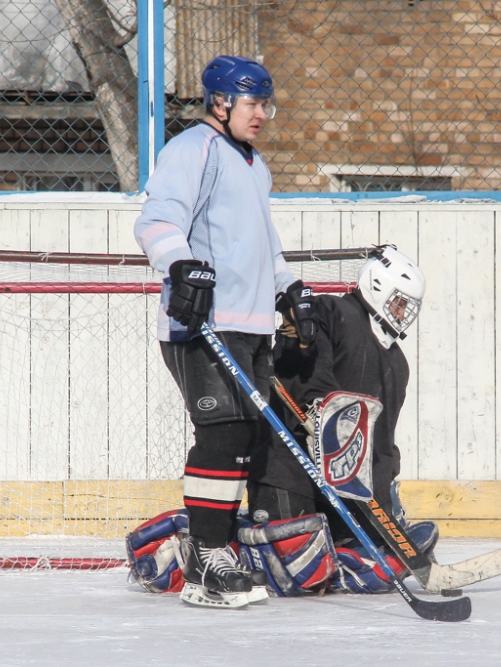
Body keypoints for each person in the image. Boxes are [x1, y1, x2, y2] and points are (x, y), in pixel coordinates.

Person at [133, 55, 315, 608]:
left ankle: (216, 545)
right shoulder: (193, 149)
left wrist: (288, 288)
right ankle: (206, 560)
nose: (261, 114)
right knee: (224, 434)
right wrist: (181, 265)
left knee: (245, 441)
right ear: (221, 102)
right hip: (204, 324)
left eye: (266, 105)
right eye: (252, 103)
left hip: (251, 325)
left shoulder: (254, 164)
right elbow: (157, 220)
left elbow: (264, 244)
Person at [246, 245, 439, 593]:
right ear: (377, 286)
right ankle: (221, 541)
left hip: (343, 487)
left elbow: (381, 444)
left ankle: (349, 559)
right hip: (289, 469)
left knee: (353, 564)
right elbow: (303, 365)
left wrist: (382, 510)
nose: (403, 313)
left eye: (408, 307)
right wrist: (323, 407)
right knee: (300, 576)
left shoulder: (397, 364)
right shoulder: (329, 312)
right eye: (399, 302)